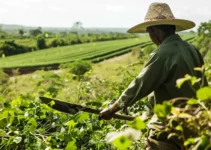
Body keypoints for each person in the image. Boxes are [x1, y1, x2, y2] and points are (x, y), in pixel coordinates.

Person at [99, 2, 208, 150]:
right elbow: (204, 87)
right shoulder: (191, 49)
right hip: (194, 126)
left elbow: (140, 85)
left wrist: (112, 109)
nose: (150, 37)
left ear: (155, 31)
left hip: (167, 129)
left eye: (149, 33)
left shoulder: (162, 53)